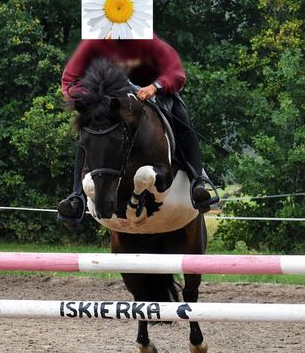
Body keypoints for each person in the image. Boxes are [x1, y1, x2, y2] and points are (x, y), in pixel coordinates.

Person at [57, 34, 217, 224]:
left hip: (151, 95)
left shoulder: (148, 40)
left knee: (181, 117)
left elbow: (176, 73)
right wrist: (92, 95)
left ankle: (197, 181)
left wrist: (155, 86)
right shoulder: (93, 43)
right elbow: (69, 81)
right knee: (91, 131)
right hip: (109, 101)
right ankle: (77, 196)